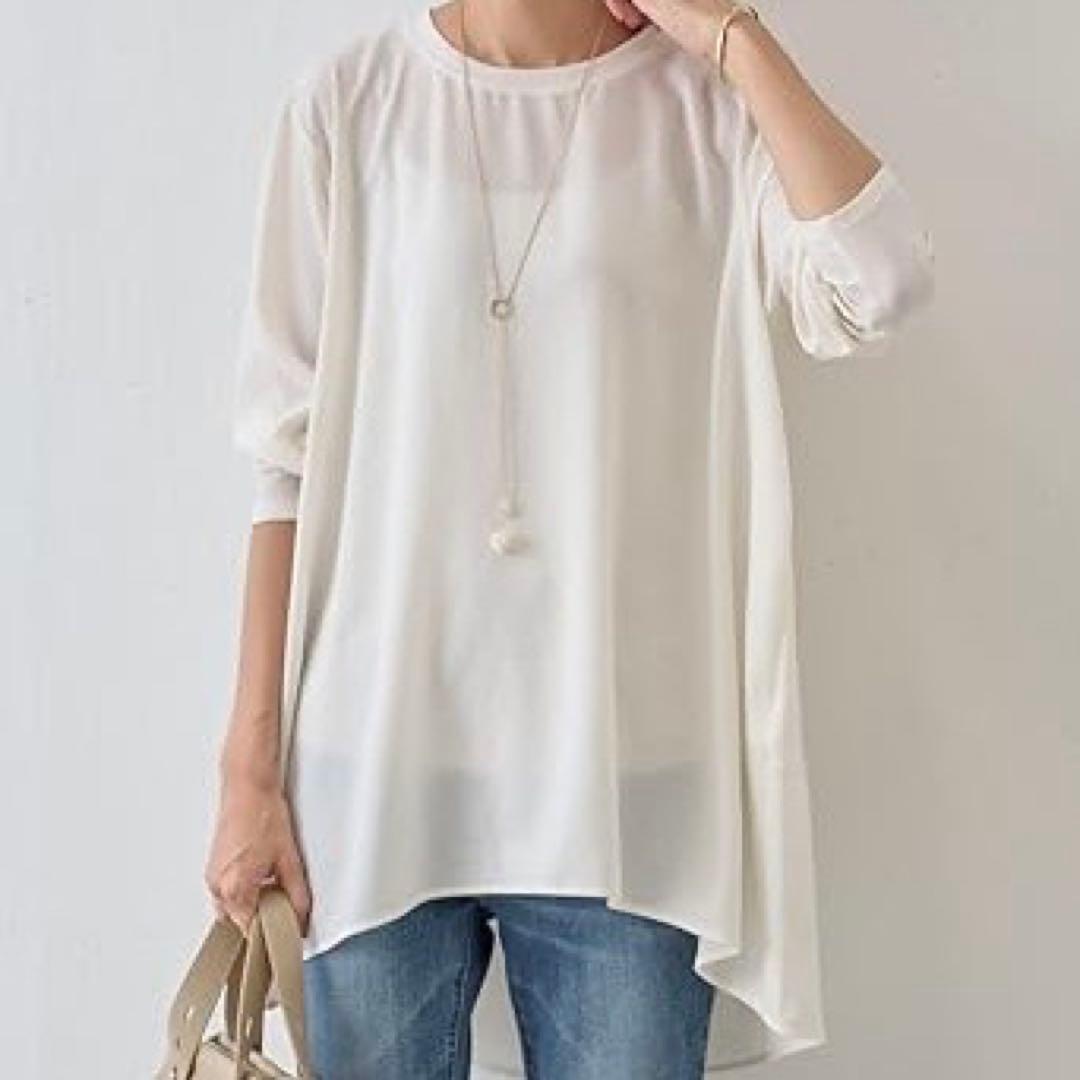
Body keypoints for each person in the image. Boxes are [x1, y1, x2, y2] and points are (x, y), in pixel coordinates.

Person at [204, 1, 935, 1077]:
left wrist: (733, 37)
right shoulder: (350, 106)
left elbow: (881, 283)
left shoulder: (707, 112)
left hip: (630, 792)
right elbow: (286, 468)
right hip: (375, 770)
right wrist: (247, 772)